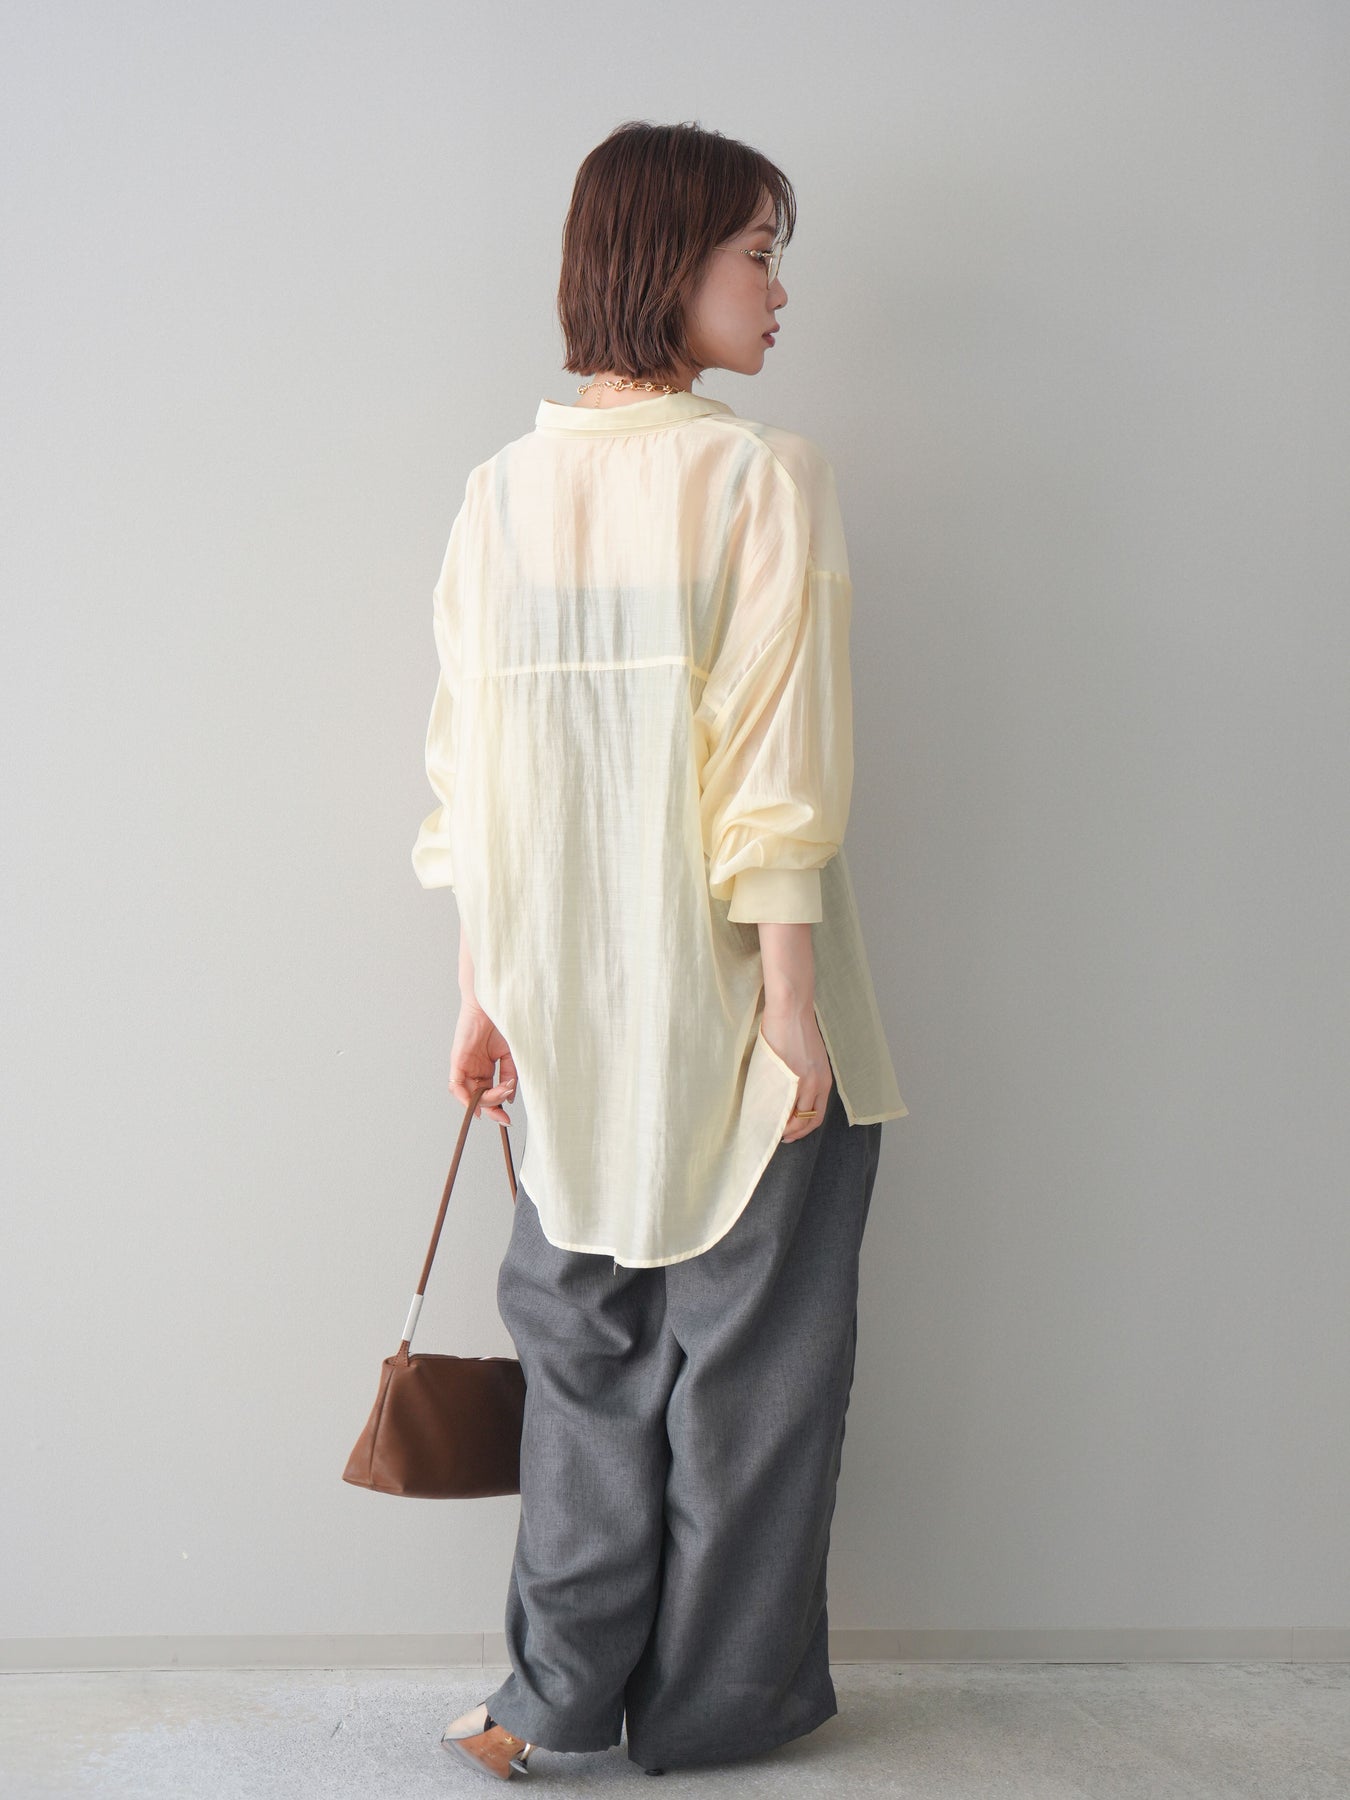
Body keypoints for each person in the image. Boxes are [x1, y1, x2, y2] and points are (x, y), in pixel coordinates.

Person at [414, 118, 908, 1782]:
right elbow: (775, 774)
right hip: (742, 1010)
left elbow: (470, 791)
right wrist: (793, 1009)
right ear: (665, 262)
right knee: (750, 1394)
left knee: (582, 1368)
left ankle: (546, 1703)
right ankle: (717, 1711)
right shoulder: (761, 478)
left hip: (563, 1022)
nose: (778, 293)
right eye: (756, 255)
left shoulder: (498, 498)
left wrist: (482, 999)